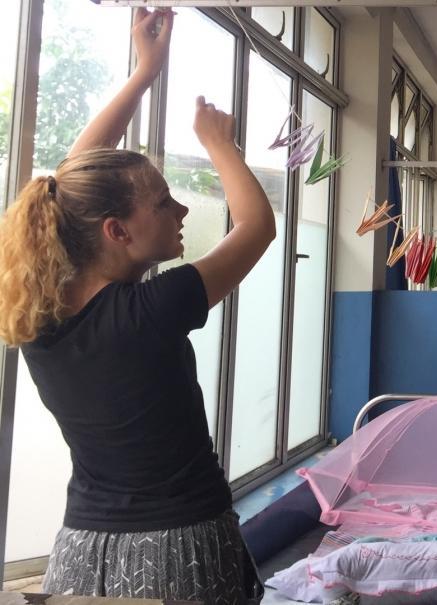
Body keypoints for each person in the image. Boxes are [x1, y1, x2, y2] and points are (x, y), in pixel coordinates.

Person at [0, 9, 275, 604]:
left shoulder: (39, 317)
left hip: (78, 555)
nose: (180, 212)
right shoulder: (152, 309)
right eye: (163, 203)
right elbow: (256, 225)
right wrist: (218, 143)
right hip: (179, 551)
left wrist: (145, 71)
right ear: (117, 231)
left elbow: (72, 185)